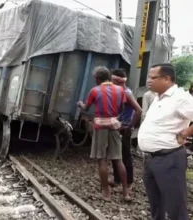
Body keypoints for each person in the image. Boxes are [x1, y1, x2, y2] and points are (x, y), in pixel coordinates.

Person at [138, 63, 192, 220]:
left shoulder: (181, 98)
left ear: (167, 78)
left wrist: (186, 132)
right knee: (156, 205)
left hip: (169, 159)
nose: (149, 81)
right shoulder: (158, 97)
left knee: (176, 208)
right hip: (151, 159)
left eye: (153, 77)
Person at [77, 66, 130, 201]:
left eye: (95, 78)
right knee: (118, 159)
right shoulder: (120, 90)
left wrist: (80, 104)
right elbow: (122, 108)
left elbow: (86, 107)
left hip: (100, 126)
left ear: (97, 78)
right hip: (114, 125)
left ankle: (106, 192)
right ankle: (126, 192)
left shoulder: (94, 90)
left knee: (101, 159)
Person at [109, 69, 142, 191]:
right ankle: (117, 180)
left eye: (112, 81)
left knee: (124, 155)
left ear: (118, 81)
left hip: (124, 128)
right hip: (118, 127)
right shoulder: (120, 92)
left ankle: (127, 183)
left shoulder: (126, 93)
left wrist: (130, 126)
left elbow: (138, 110)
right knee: (115, 155)